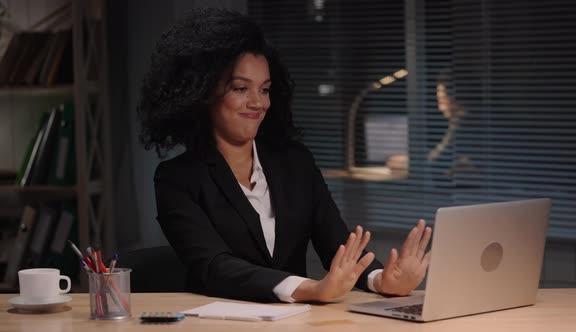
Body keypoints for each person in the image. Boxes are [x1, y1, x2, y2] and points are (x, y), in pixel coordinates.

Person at [137, 7, 431, 303]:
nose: (257, 103)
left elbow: (338, 246)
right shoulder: (177, 179)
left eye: (264, 90)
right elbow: (214, 266)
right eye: (241, 88)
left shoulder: (295, 162)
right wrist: (310, 289)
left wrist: (382, 281)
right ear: (201, 93)